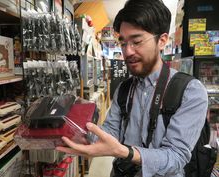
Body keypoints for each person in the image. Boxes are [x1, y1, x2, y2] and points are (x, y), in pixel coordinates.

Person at [56, 0, 208, 176]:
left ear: (162, 40)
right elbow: (110, 131)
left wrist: (124, 152)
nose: (127, 51)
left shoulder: (190, 91)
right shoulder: (124, 88)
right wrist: (76, 132)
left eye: (137, 41)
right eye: (123, 43)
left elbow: (176, 158)